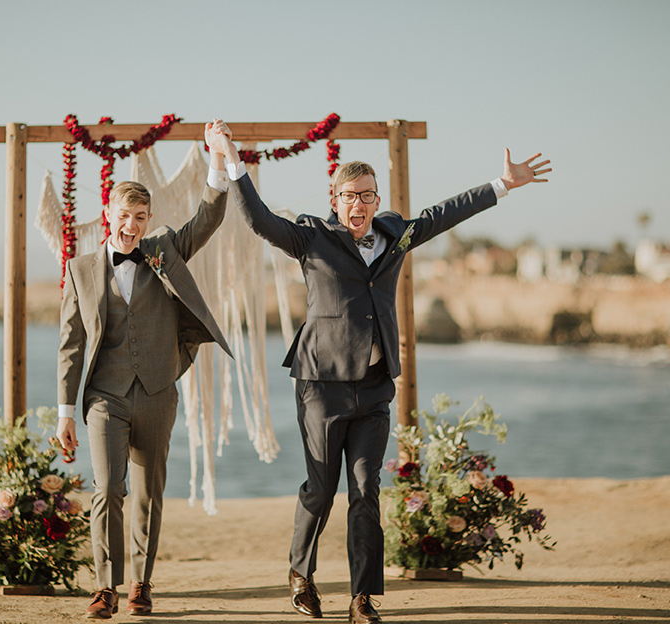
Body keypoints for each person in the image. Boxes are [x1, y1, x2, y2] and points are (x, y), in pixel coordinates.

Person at [207, 120, 551, 624]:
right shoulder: (312, 237)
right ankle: (301, 575)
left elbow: (443, 214)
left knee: (366, 491)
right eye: (350, 195)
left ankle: (361, 597)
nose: (359, 205)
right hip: (321, 387)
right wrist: (232, 159)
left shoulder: (396, 234)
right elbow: (258, 220)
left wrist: (502, 184)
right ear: (335, 197)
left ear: (376, 199)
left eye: (367, 195)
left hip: (374, 391)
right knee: (321, 490)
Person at [56, 125, 233, 619]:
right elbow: (70, 344)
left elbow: (208, 217)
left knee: (149, 492)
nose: (130, 226)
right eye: (123, 216)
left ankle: (140, 583)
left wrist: (217, 159)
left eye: (139, 217)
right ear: (107, 216)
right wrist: (64, 412)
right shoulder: (81, 268)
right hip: (103, 397)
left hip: (158, 392)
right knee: (109, 488)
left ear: (149, 218)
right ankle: (105, 587)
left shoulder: (163, 251)